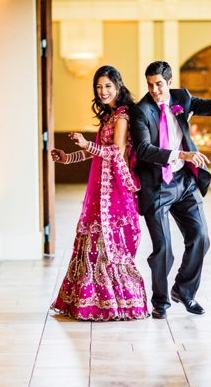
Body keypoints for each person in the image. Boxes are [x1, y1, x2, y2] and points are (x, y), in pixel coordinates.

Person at [130, 61, 211, 319]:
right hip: (157, 186)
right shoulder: (141, 111)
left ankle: (184, 291)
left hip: (184, 182)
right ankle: (160, 301)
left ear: (169, 82)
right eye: (150, 85)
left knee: (201, 237)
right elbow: (143, 150)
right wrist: (182, 154)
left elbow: (206, 106)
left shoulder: (182, 97)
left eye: (159, 84)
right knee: (164, 248)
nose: (154, 90)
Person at [50, 65, 149, 321]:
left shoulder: (123, 116)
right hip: (100, 188)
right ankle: (89, 302)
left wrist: (87, 144)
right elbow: (92, 151)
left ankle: (122, 303)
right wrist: (68, 158)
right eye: (98, 86)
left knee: (111, 243)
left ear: (118, 86)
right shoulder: (108, 116)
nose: (102, 91)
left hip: (116, 188)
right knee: (94, 240)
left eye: (107, 86)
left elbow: (115, 152)